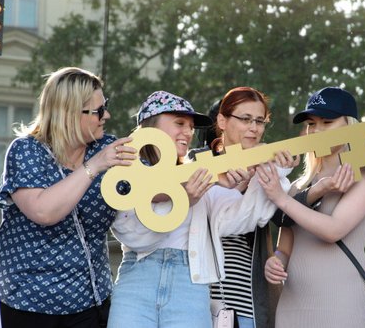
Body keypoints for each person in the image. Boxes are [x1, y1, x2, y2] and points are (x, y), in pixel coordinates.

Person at [107, 90, 294, 328]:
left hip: (190, 284)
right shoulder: (125, 170)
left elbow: (240, 219)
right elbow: (134, 236)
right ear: (150, 126)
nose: (188, 132)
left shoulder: (201, 173)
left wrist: (272, 172)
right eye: (179, 123)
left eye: (191, 126)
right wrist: (184, 198)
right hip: (137, 280)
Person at [0, 67, 136, 328]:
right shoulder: (27, 151)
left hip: (89, 303)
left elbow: (153, 184)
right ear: (69, 113)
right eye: (98, 111)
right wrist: (94, 167)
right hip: (23, 302)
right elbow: (43, 212)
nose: (106, 115)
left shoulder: (104, 148)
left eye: (105, 106)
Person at [259, 87, 365, 328]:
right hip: (292, 308)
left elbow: (333, 230)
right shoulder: (298, 185)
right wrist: (276, 262)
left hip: (342, 310)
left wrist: (281, 199)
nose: (317, 130)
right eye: (311, 124)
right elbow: (284, 248)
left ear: (350, 126)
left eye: (327, 122)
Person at [209, 86, 300, 328]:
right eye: (246, 119)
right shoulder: (198, 167)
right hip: (197, 298)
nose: (254, 128)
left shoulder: (268, 174)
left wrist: (276, 173)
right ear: (222, 120)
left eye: (260, 121)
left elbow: (286, 220)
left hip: (246, 302)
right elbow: (220, 224)